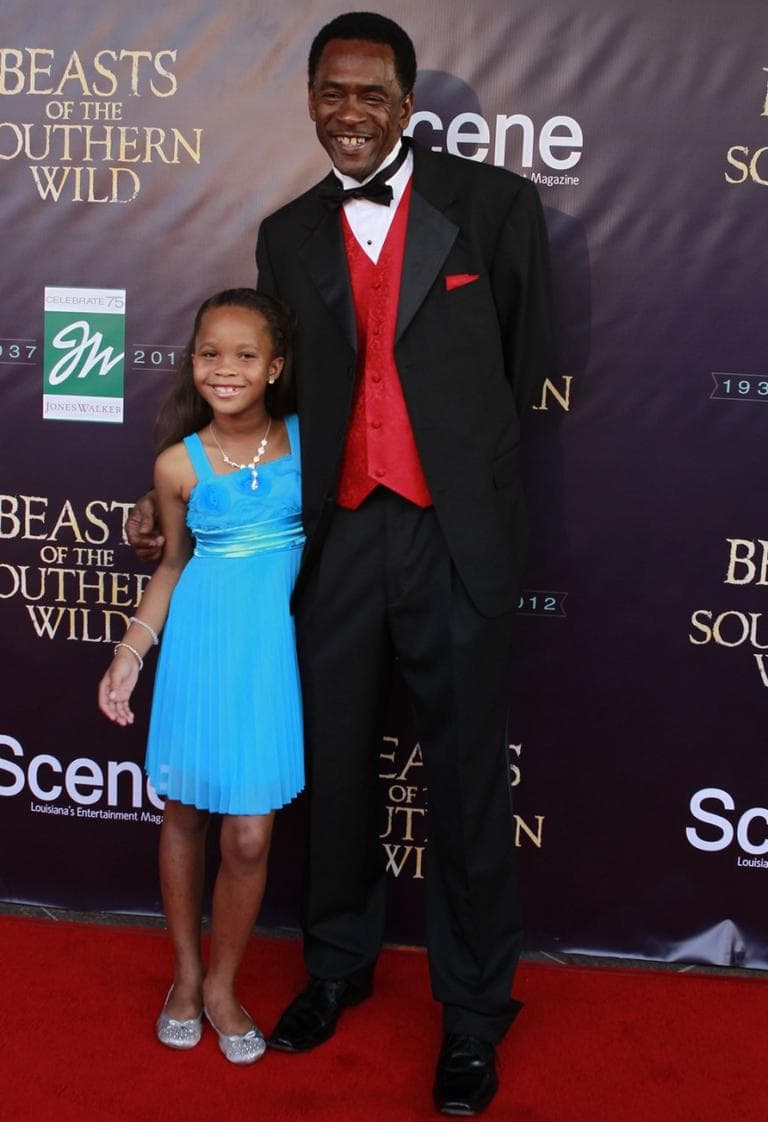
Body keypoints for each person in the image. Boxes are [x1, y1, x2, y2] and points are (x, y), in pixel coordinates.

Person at [129, 11, 553, 1115]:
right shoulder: (286, 232)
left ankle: (474, 1012)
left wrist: (452, 476)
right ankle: (337, 966)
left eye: (370, 93)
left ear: (406, 103)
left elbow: (526, 367)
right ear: (311, 99)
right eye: (331, 91)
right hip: (333, 537)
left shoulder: (496, 207)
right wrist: (174, 479)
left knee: (467, 781)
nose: (349, 111)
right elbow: (268, 393)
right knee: (337, 765)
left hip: (452, 534)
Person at [100, 288, 304, 1066]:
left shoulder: (309, 441)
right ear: (192, 363)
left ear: (275, 367)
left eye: (246, 355)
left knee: (249, 837)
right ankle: (187, 978)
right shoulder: (175, 464)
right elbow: (171, 567)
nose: (226, 369)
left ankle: (224, 983)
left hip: (271, 659)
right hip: (199, 650)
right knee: (184, 815)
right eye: (210, 354)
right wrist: (130, 653)